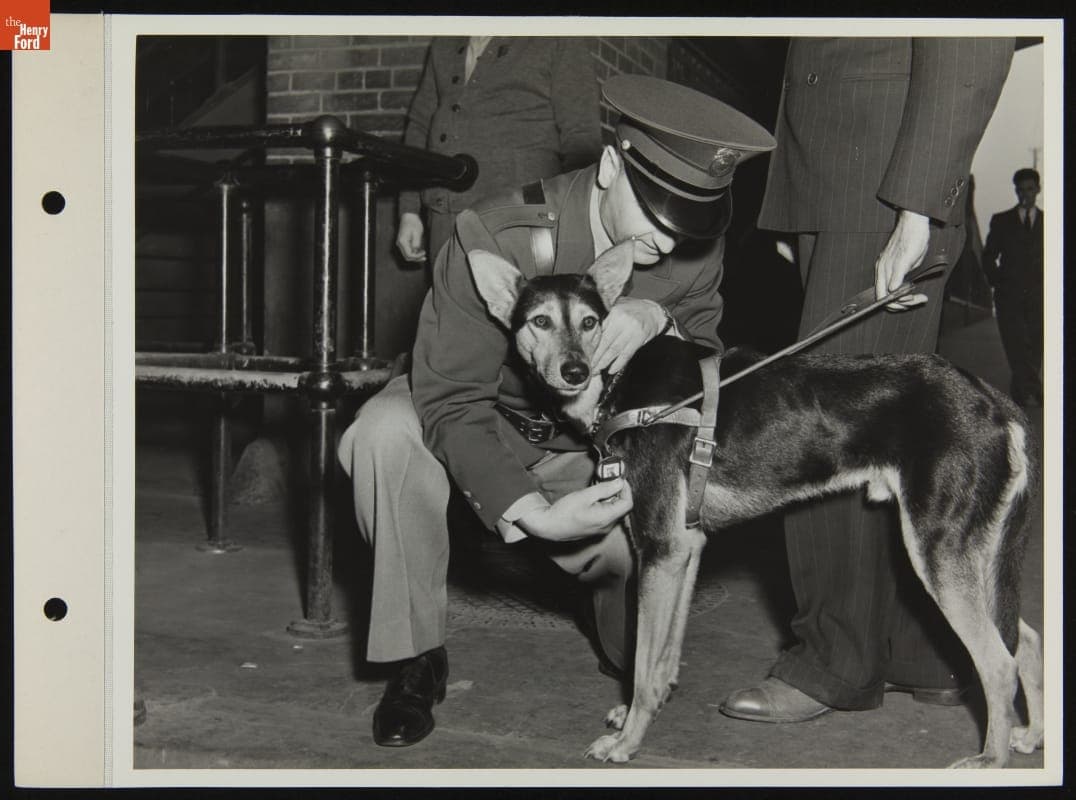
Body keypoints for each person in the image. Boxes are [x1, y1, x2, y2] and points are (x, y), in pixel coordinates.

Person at [339, 74, 775, 747]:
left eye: (692, 219)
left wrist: (658, 316)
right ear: (609, 167)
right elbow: (451, 398)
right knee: (383, 434)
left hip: (595, 444)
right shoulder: (498, 236)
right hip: (483, 418)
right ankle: (416, 656)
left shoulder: (690, 245)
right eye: (657, 209)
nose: (669, 237)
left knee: (631, 585)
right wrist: (532, 512)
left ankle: (600, 597)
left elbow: (704, 361)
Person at [719, 37, 1015, 723]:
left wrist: (918, 205)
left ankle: (835, 660)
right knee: (900, 429)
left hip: (887, 181)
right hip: (843, 178)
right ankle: (929, 654)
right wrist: (793, 204)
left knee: (827, 428)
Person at [396, 36, 602, 266]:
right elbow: (420, 126)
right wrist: (409, 211)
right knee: (448, 301)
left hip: (522, 219)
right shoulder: (444, 42)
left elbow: (582, 136)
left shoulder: (557, 36)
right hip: (445, 219)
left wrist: (573, 222)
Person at [981, 168, 1044, 406]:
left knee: (1037, 343)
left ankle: (1025, 386)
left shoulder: (1052, 221)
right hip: (1009, 296)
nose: (1025, 194)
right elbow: (988, 257)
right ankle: (1028, 390)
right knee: (1015, 343)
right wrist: (999, 282)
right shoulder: (1002, 220)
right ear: (1015, 191)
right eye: (1020, 190)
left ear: (1038, 189)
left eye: (1030, 189)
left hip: (1041, 296)